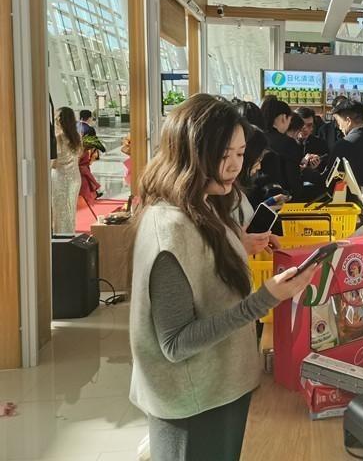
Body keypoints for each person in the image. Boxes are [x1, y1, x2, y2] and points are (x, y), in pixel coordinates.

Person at [129, 94, 318, 461]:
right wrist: (265, 299)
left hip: (218, 388)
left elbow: (206, 270)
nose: (234, 166)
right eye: (222, 155)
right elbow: (176, 343)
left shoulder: (205, 204)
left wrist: (238, 246)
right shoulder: (169, 228)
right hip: (192, 404)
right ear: (189, 154)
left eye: (241, 153)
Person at [260, 96, 304, 198]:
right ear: (284, 117)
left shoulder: (258, 138)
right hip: (281, 198)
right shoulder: (288, 143)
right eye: (289, 119)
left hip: (259, 197)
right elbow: (293, 182)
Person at [51, 107, 82, 234]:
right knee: (70, 210)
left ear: (59, 120)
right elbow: (78, 157)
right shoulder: (77, 137)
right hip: (74, 177)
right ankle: (70, 234)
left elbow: (54, 163)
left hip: (59, 177)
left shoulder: (58, 137)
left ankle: (60, 236)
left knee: (59, 210)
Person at [79, 135, 106, 204]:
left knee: (86, 184)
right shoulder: (85, 151)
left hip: (83, 168)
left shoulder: (85, 150)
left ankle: (91, 196)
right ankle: (90, 196)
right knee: (86, 183)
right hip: (83, 169)